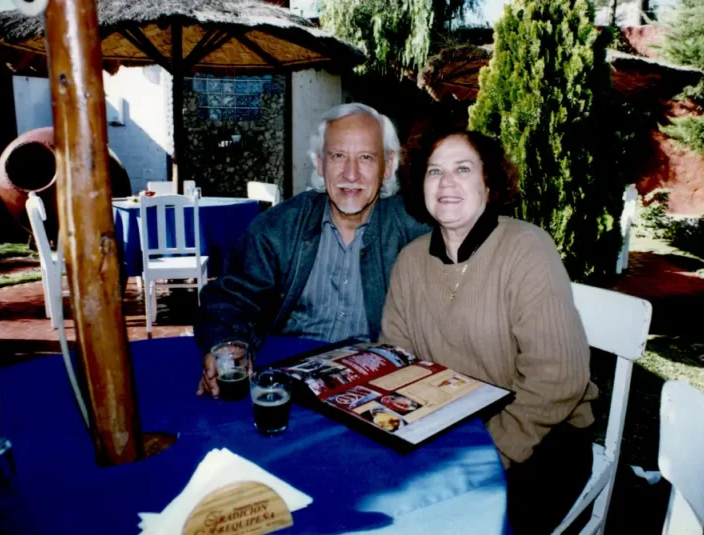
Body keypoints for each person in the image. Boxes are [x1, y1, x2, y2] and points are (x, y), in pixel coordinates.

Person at [379, 126, 597, 535]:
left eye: (463, 168)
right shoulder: (410, 260)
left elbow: (560, 379)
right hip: (451, 428)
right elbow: (396, 358)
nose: (446, 182)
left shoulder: (527, 248)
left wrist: (492, 450)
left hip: (543, 434)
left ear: (489, 183)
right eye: (434, 171)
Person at [195, 103, 429, 398]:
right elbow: (229, 301)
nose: (351, 174)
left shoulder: (414, 230)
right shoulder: (277, 228)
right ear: (320, 163)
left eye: (366, 157)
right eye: (338, 156)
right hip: (287, 387)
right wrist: (229, 343)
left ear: (388, 164)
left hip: (374, 389)